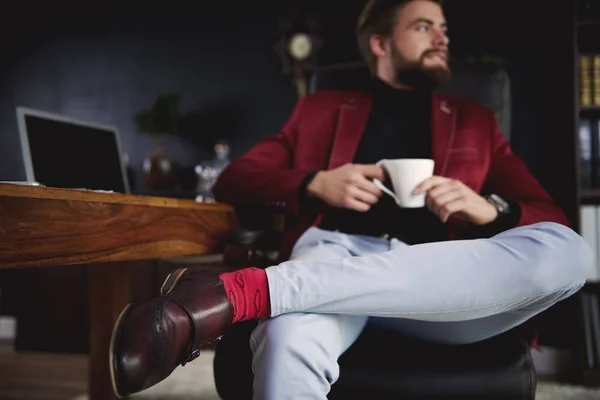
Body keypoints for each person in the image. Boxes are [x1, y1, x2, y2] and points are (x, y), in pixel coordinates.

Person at [109, 0, 592, 398]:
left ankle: (238, 292)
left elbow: (547, 214)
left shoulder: (474, 120)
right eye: (424, 26)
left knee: (571, 252)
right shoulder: (319, 109)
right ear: (381, 44)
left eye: (443, 28)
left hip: (442, 281)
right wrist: (314, 182)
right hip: (333, 253)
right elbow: (237, 177)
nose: (442, 37)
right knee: (286, 341)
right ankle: (261, 293)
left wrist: (492, 209)